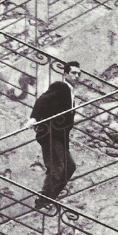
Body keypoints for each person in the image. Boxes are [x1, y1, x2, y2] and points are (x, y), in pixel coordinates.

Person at [28, 62, 81, 209]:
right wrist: (33, 118)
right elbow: (43, 100)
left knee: (69, 167)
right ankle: (42, 201)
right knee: (57, 168)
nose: (77, 76)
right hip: (51, 134)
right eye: (73, 73)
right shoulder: (61, 86)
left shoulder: (70, 91)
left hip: (60, 137)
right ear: (65, 74)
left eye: (79, 74)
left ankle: (49, 198)